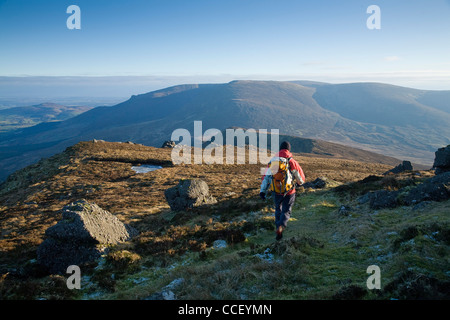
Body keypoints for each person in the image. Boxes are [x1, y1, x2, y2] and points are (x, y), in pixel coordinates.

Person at [259, 141, 306, 240]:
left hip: (276, 191)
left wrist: (262, 191)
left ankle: (277, 227)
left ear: (280, 149)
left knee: (278, 209)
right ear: (288, 149)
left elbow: (266, 177)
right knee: (286, 210)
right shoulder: (291, 161)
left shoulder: (273, 161)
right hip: (289, 191)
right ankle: (282, 226)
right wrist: (299, 183)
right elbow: (300, 177)